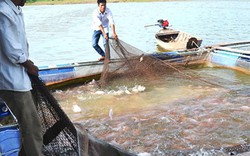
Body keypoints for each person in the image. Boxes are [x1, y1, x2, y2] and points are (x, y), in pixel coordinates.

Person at [0, 0, 44, 155]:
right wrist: (28, 65)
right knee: (32, 128)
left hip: (19, 78)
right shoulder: (3, 11)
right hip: (12, 81)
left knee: (28, 126)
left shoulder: (15, 10)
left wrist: (27, 62)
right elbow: (11, 48)